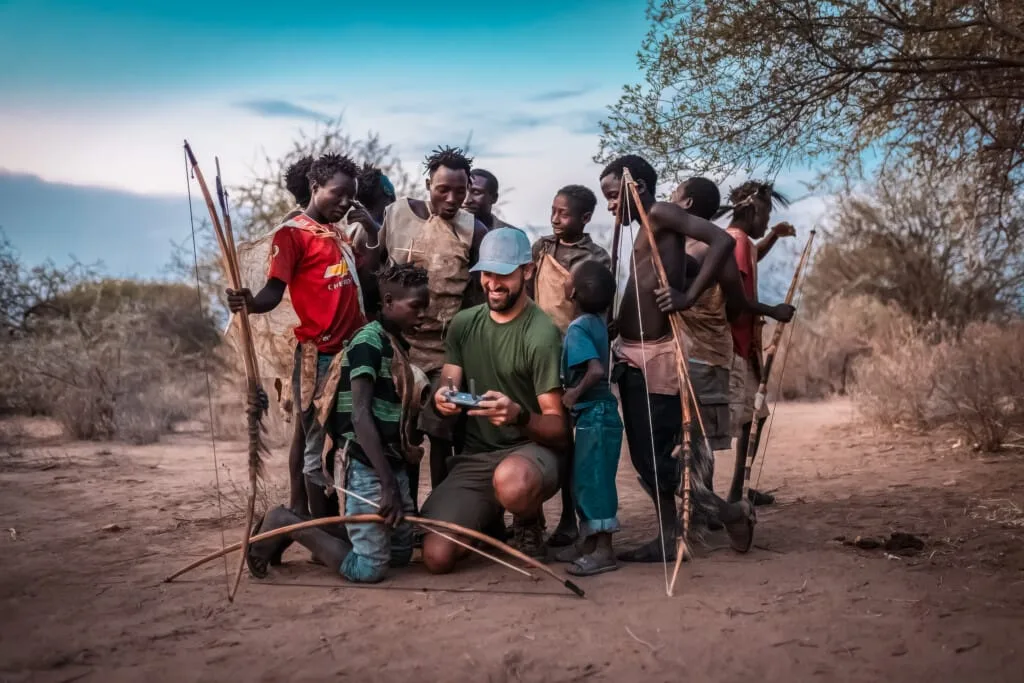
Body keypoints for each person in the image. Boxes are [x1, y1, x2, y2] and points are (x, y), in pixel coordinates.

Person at [599, 155, 755, 561]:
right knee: (645, 457)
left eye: (615, 196)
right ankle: (671, 536)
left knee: (661, 456)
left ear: (639, 188)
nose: (612, 207)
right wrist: (619, 322)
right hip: (632, 353)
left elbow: (722, 241)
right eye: (607, 199)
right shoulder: (648, 228)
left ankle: (728, 512)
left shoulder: (661, 213)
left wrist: (687, 296)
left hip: (658, 354)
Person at [246, 263, 431, 583]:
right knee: (370, 569)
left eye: (424, 307)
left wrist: (394, 477)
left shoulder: (395, 343)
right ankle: (285, 521)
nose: (422, 314)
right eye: (416, 306)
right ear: (388, 302)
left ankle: (305, 523)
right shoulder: (367, 343)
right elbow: (359, 415)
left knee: (401, 555)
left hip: (391, 464)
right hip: (366, 464)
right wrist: (386, 483)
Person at [227, 153, 382, 521]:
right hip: (319, 356)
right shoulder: (292, 234)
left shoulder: (337, 234)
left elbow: (364, 278)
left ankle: (335, 521)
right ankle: (313, 525)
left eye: (351, 197)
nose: (344, 203)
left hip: (352, 352)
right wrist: (249, 303)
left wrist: (373, 232)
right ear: (315, 188)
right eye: (337, 194)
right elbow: (272, 291)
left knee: (349, 438)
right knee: (314, 444)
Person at [420, 228, 570, 570]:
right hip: (477, 458)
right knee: (436, 558)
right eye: (487, 273)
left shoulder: (541, 334)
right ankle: (484, 520)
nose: (493, 283)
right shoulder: (463, 324)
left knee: (512, 482)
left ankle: (528, 521)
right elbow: (448, 384)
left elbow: (559, 430)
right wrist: (442, 400)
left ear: (526, 271)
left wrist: (518, 416)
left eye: (504, 274)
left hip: (528, 454)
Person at [368, 146, 489, 501]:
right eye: (443, 190)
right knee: (401, 432)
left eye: (460, 191)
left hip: (446, 350)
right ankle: (407, 512)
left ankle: (438, 512)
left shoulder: (473, 230)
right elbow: (374, 272)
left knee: (442, 430)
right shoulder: (397, 216)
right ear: (428, 185)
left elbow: (476, 294)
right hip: (400, 349)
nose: (452, 199)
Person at [529, 184, 612, 548]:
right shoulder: (542, 248)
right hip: (540, 352)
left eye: (564, 213)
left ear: (585, 218)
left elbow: (602, 307)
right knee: (550, 439)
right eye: (553, 211)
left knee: (576, 447)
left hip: (575, 356)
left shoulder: (596, 257)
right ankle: (533, 521)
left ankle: (570, 519)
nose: (556, 218)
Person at [721, 181, 796, 506]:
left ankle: (740, 487)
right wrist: (772, 310)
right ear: (751, 210)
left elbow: (753, 256)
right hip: (734, 348)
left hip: (742, 347)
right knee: (743, 419)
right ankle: (731, 493)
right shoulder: (735, 243)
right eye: (765, 214)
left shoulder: (742, 243)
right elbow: (735, 301)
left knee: (755, 415)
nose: (766, 220)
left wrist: (774, 236)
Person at [552, 260, 623, 576]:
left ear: (574, 292)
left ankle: (604, 550)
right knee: (587, 479)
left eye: (568, 277)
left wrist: (572, 393)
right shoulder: (597, 322)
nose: (564, 280)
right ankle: (587, 542)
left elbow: (594, 370)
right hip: (601, 415)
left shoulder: (579, 328)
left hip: (594, 414)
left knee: (594, 482)